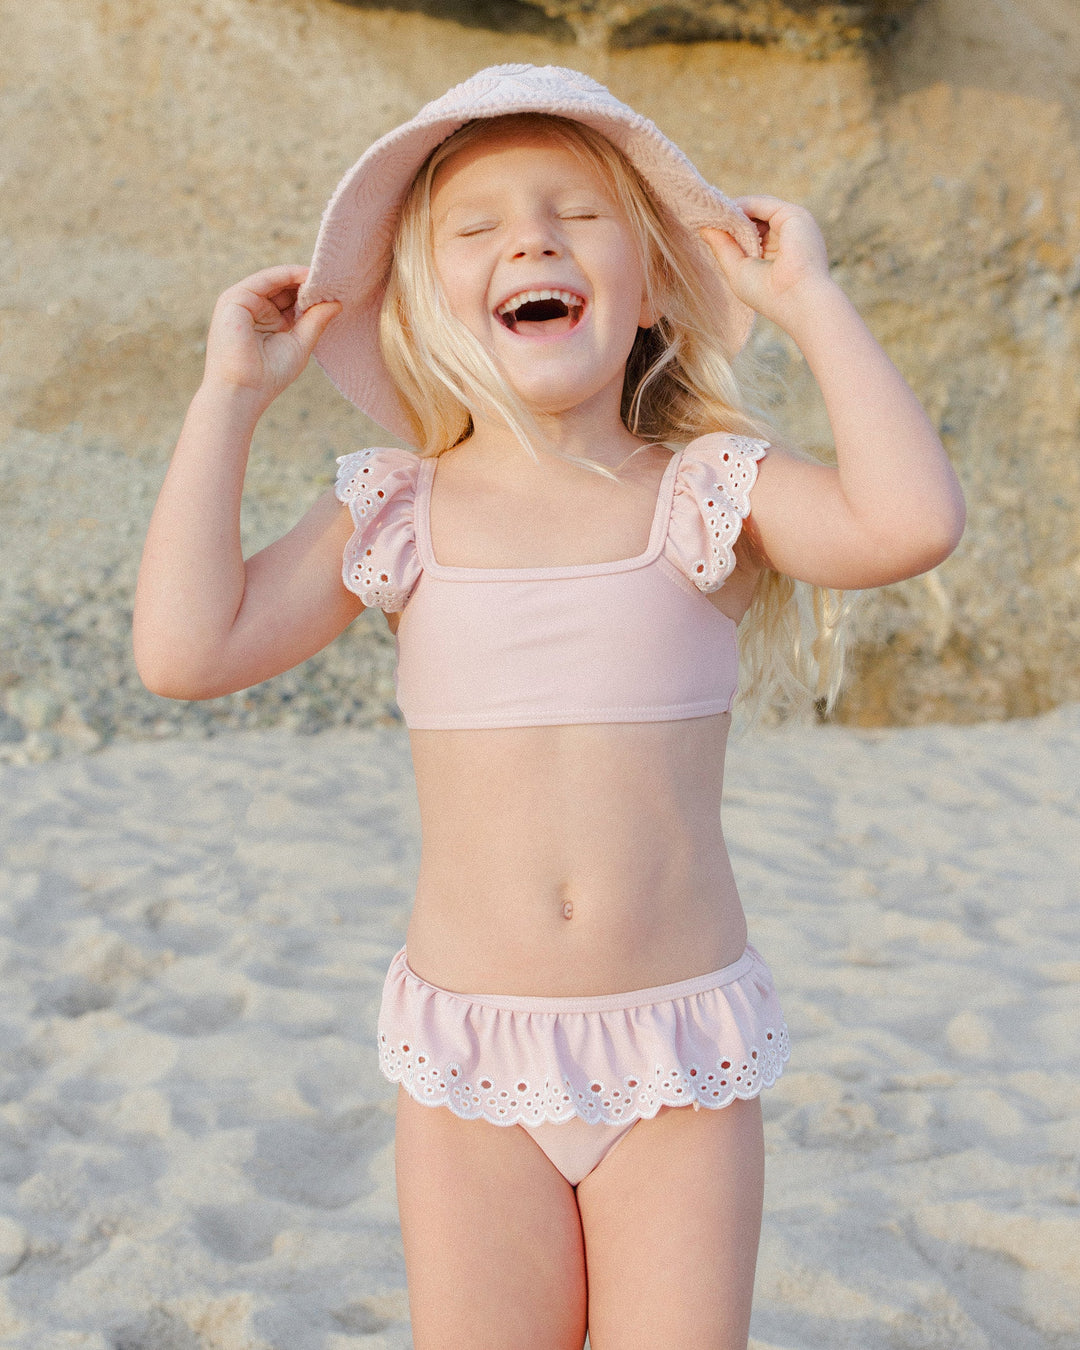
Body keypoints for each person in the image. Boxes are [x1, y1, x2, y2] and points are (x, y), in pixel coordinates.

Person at [134, 64, 964, 1350]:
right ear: (425, 297)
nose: (529, 238)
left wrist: (809, 301)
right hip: (470, 1062)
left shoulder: (706, 491)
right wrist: (229, 399)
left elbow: (908, 523)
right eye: (476, 228)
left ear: (645, 291)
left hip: (674, 1052)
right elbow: (188, 652)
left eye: (577, 214)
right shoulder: (395, 506)